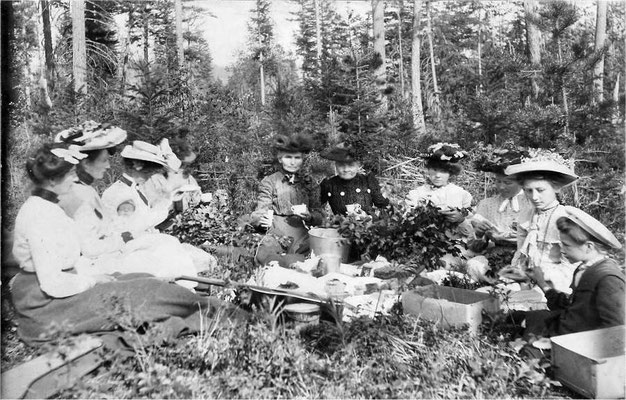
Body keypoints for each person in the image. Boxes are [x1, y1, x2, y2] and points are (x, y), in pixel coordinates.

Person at [10, 144, 245, 347]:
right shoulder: (38, 215)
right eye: (70, 174)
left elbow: (69, 260)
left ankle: (215, 311)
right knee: (146, 292)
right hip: (46, 306)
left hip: (59, 292)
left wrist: (98, 275)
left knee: (144, 278)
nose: (74, 178)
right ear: (52, 180)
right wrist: (93, 279)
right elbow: (53, 282)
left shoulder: (49, 207)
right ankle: (223, 315)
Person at [100, 141, 216, 275]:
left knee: (192, 256)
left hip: (136, 246)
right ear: (138, 165)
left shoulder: (134, 190)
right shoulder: (122, 194)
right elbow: (128, 232)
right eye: (152, 170)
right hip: (123, 253)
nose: (152, 175)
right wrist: (168, 201)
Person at [521, 206, 624, 340]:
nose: (562, 251)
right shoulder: (584, 268)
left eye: (567, 245)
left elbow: (617, 328)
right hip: (566, 331)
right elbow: (572, 307)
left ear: (589, 247)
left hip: (578, 344)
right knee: (519, 318)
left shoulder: (608, 278)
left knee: (527, 346)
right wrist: (542, 283)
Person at [500, 151, 579, 294]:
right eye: (529, 191)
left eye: (540, 190)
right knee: (500, 293)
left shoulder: (564, 217)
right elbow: (520, 253)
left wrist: (543, 281)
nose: (534, 197)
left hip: (556, 281)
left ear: (556, 188)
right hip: (527, 276)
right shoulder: (526, 215)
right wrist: (517, 276)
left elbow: (570, 266)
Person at [250, 134, 323, 267]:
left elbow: (320, 215)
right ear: (280, 158)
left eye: (297, 158)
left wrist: (310, 216)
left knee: (316, 257)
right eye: (288, 157)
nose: (293, 162)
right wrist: (262, 220)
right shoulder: (270, 181)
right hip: (277, 232)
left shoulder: (309, 183)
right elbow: (260, 211)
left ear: (302, 159)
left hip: (302, 232)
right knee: (268, 255)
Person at [406, 142, 473, 238]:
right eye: (434, 170)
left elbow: (472, 233)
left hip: (455, 244)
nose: (437, 175)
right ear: (428, 170)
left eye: (443, 171)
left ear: (451, 172)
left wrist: (461, 219)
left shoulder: (461, 194)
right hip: (424, 242)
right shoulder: (417, 194)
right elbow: (407, 222)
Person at [320, 143, 390, 217]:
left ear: (358, 165)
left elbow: (382, 206)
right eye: (341, 165)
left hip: (367, 225)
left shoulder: (367, 181)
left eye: (351, 165)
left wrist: (371, 217)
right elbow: (316, 206)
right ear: (336, 165)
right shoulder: (329, 184)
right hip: (340, 225)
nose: (346, 170)